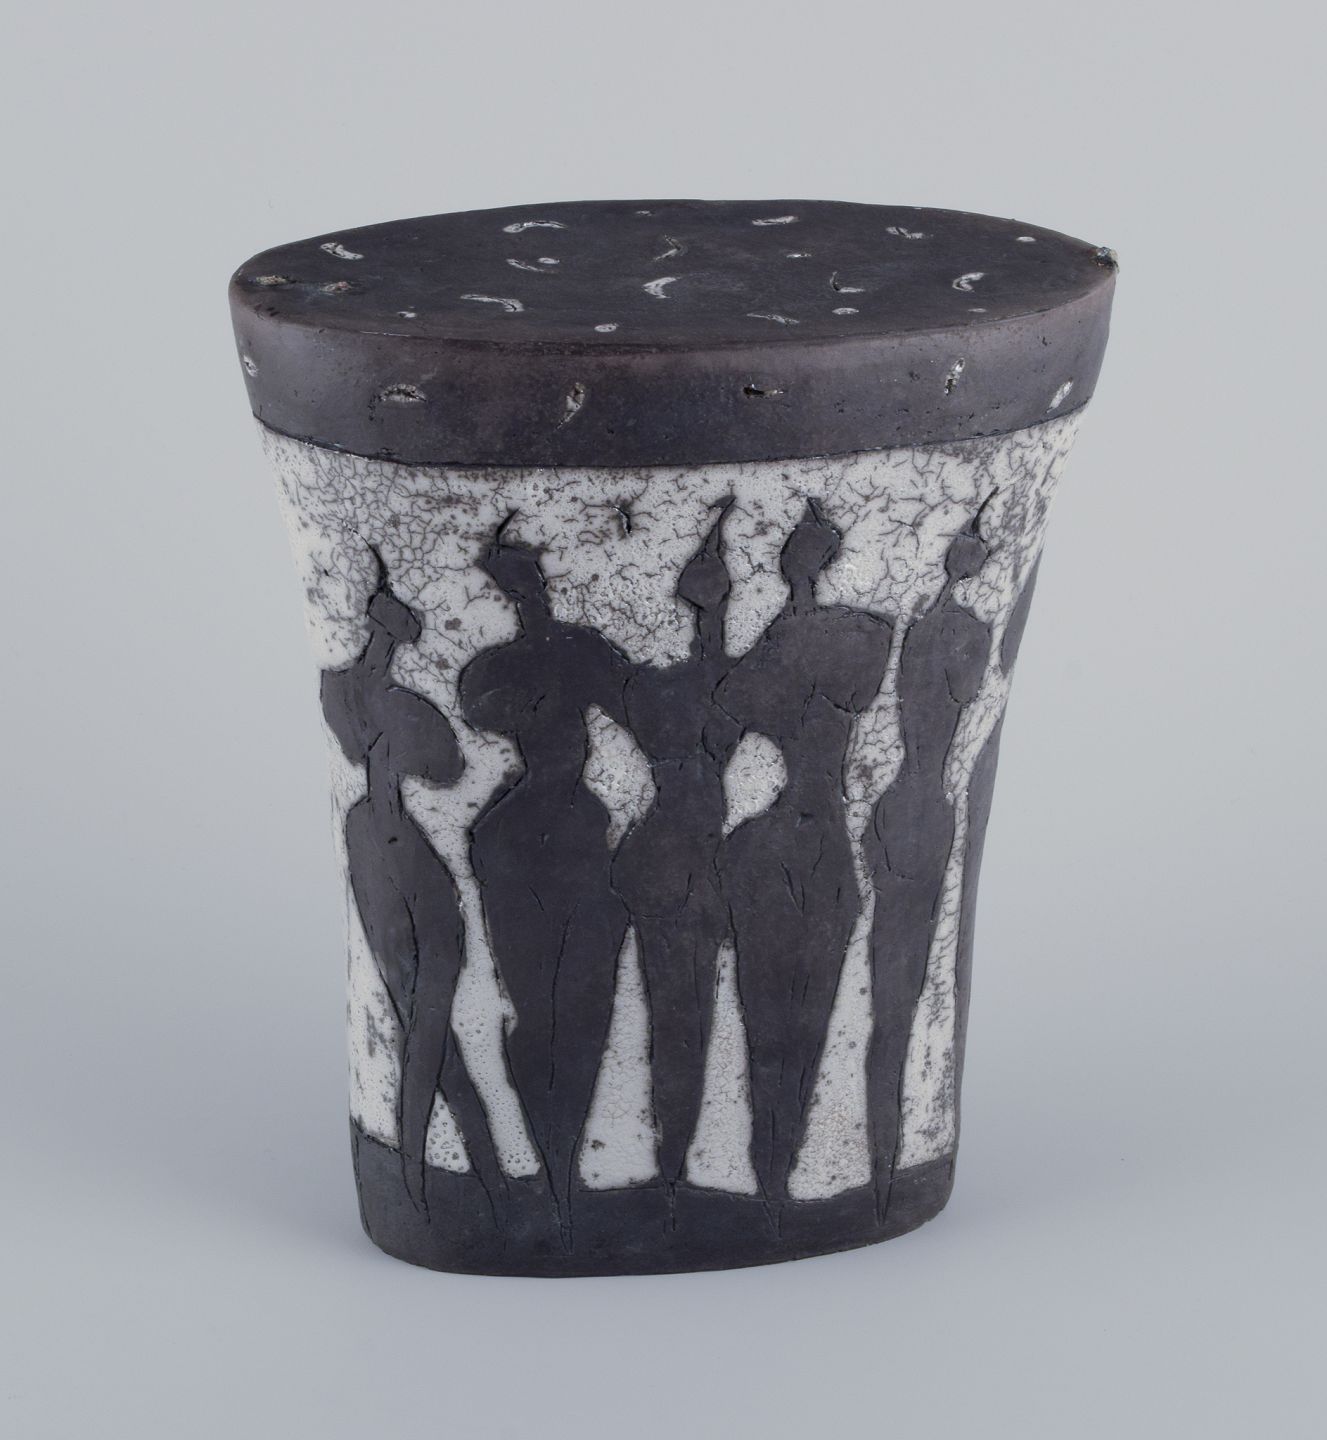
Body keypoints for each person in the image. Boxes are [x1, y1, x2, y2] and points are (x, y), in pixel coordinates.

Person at [458, 522, 632, 1247]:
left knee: (579, 1009)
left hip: (572, 832)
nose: (524, 591)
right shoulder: (506, 666)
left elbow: (642, 714)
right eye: (512, 581)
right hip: (526, 835)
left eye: (527, 577)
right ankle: (554, 1170)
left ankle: (565, 1170)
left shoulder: (575, 652)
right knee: (540, 1010)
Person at [717, 501, 893, 1206]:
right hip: (817, 839)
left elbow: (732, 705)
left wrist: (786, 621)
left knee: (773, 1019)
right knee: (796, 1019)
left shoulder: (831, 636)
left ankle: (774, 1171)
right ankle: (776, 1173)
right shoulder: (861, 633)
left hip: (791, 836)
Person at [321, 553, 503, 1216]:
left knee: (428, 1028)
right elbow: (441, 768)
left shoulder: (390, 703)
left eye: (395, 630)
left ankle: (436, 1179)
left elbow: (448, 769)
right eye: (384, 627)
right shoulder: (347, 691)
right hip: (386, 844)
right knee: (426, 1032)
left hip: (412, 858)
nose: (388, 640)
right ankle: (445, 1178)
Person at [612, 500, 742, 1207]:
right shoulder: (671, 689)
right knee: (679, 1014)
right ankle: (669, 1163)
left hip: (686, 860)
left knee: (683, 1014)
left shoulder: (668, 688)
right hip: (673, 861)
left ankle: (675, 1162)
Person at [865, 523, 993, 1221]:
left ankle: (884, 1164)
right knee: (900, 998)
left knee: (893, 1000)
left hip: (896, 805)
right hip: (921, 810)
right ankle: (880, 1170)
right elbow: (966, 698)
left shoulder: (915, 627)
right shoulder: (961, 632)